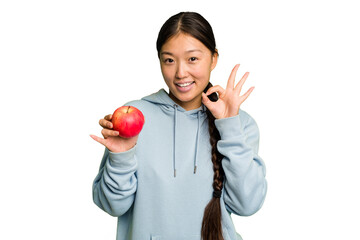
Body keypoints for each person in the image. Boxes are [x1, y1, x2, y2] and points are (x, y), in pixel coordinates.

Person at [90, 11, 267, 240]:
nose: (181, 73)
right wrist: (121, 157)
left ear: (213, 58)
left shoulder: (240, 124)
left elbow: (248, 204)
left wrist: (229, 125)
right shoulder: (136, 118)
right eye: (169, 60)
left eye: (192, 59)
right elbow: (112, 206)